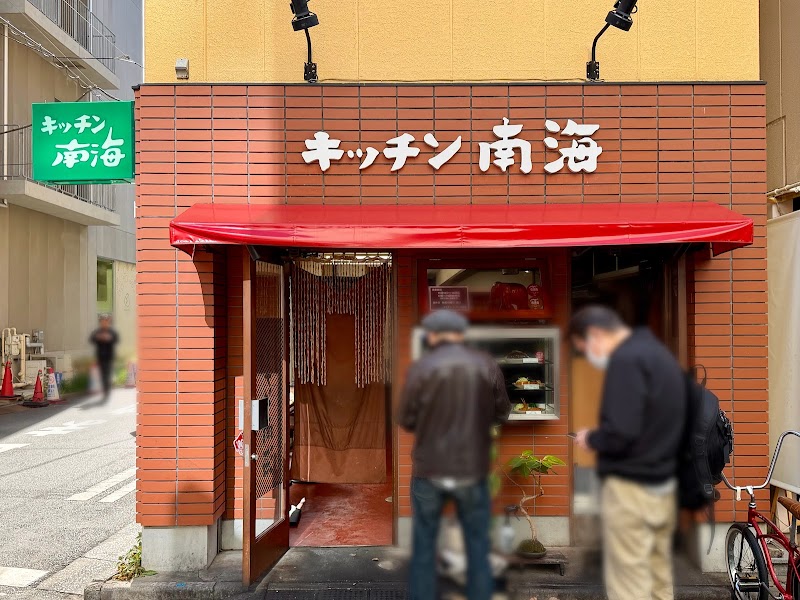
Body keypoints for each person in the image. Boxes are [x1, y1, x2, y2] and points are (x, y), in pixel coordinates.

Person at [570, 305, 687, 600]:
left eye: (583, 348)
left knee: (629, 586)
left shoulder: (626, 359)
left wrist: (593, 438)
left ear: (596, 334)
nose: (588, 356)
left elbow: (622, 431)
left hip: (632, 491)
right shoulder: (659, 354)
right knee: (659, 581)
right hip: (662, 485)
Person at [397, 310, 511, 600]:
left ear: (433, 336)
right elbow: (502, 412)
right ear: (461, 334)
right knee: (477, 547)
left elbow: (407, 419)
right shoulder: (486, 364)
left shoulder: (421, 368)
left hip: (429, 469)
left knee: (424, 548)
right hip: (472, 468)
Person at [89, 314, 119, 401]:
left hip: (109, 356)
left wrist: (109, 338)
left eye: (106, 322)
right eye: (102, 322)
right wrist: (98, 337)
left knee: (107, 373)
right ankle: (106, 390)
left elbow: (116, 339)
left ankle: (107, 391)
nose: (104, 323)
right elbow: (91, 339)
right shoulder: (97, 331)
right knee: (103, 374)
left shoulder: (112, 332)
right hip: (100, 356)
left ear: (108, 322)